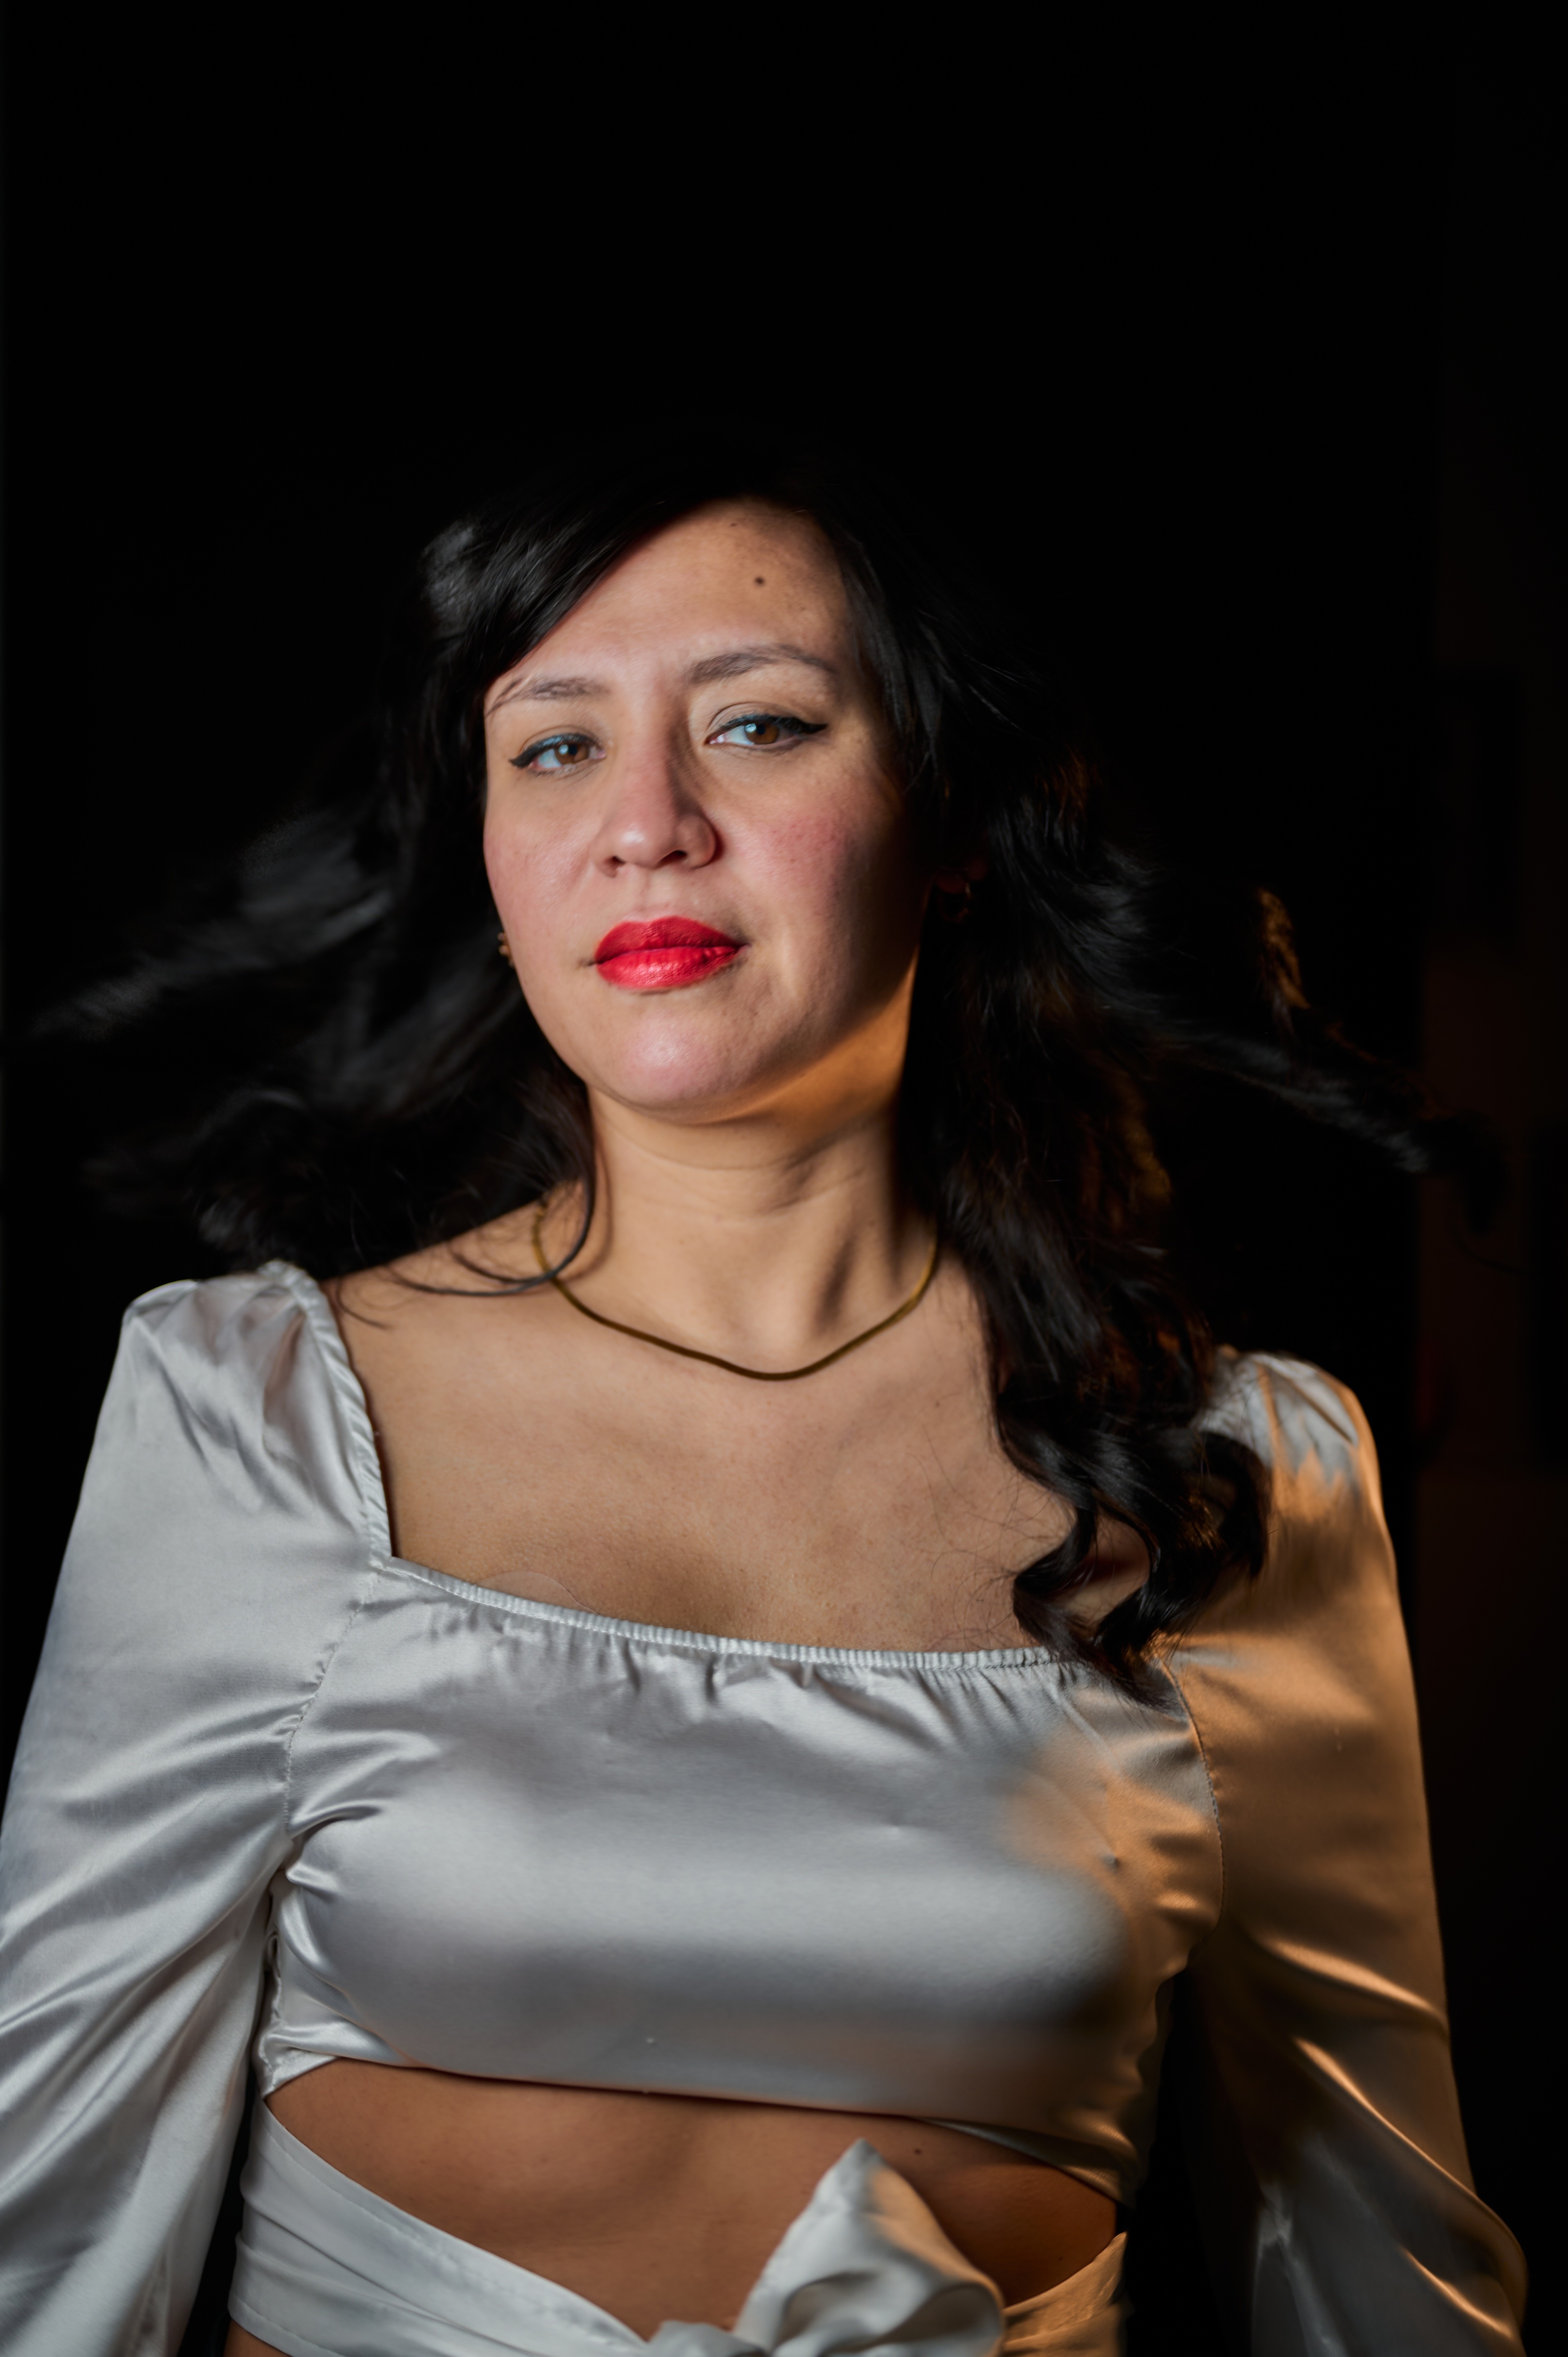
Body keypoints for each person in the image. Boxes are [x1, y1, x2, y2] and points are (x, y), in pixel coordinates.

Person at [0, 435, 1527, 2357]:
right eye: (556, 745)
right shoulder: (264, 1406)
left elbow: (1372, 2249)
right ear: (488, 859)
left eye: (758, 725)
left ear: (949, 820)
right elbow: (54, 2198)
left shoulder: (1232, 1471)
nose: (645, 823)